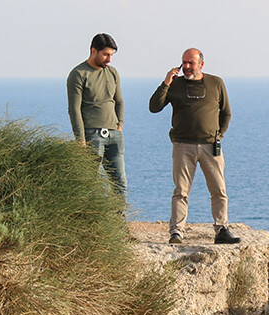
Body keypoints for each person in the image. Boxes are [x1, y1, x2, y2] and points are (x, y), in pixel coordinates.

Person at [148, 48, 238, 245]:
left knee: (219, 190)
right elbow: (154, 107)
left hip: (210, 145)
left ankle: (221, 229)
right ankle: (176, 232)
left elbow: (226, 113)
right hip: (183, 145)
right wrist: (166, 83)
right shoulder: (175, 84)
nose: (187, 67)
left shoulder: (216, 83)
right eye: (184, 63)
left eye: (191, 63)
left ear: (201, 64)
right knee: (181, 191)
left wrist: (218, 136)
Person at [67, 33, 126, 195]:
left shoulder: (112, 72)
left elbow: (119, 101)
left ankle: (118, 219)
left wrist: (119, 125)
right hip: (92, 135)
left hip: (115, 135)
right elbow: (74, 109)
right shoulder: (78, 74)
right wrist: (81, 140)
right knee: (90, 182)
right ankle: (89, 218)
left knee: (120, 182)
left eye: (111, 55)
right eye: (106, 54)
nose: (109, 59)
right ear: (94, 51)